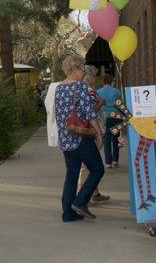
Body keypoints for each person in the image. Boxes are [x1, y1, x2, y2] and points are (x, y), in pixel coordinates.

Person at [54, 55, 104, 222]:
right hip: (81, 137)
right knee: (97, 169)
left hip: (66, 138)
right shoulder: (80, 86)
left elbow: (59, 115)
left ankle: (68, 213)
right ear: (74, 69)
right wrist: (98, 133)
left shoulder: (59, 88)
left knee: (72, 175)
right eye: (82, 68)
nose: (84, 72)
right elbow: (90, 113)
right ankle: (81, 202)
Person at [80, 66, 110, 205]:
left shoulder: (83, 90)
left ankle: (94, 192)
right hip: (92, 131)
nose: (96, 79)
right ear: (89, 77)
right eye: (95, 76)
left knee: (90, 164)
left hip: (89, 131)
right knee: (90, 165)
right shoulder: (90, 91)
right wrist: (101, 102)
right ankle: (83, 195)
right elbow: (91, 112)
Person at [98, 74, 123, 169]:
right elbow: (120, 105)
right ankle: (115, 160)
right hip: (116, 117)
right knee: (116, 139)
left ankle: (108, 162)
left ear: (102, 82)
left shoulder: (98, 92)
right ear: (111, 81)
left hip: (105, 118)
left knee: (107, 140)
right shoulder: (117, 92)